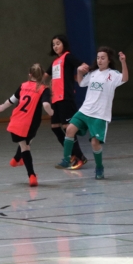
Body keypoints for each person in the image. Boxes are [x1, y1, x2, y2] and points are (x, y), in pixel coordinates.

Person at [55, 47, 128, 180]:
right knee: (69, 129)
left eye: (103, 58)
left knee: (95, 143)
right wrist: (79, 71)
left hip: (100, 115)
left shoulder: (113, 74)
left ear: (109, 60)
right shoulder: (93, 73)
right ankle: (66, 159)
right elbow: (81, 83)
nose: (99, 60)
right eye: (98, 58)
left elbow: (125, 78)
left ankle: (99, 167)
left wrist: (123, 61)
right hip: (85, 110)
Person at [0, 64, 54, 187]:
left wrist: (2, 107)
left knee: (24, 144)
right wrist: (51, 113)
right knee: (26, 145)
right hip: (31, 123)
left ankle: (17, 160)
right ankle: (31, 175)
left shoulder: (23, 85)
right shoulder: (44, 89)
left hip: (17, 120)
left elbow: (11, 100)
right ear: (42, 75)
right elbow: (46, 105)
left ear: (30, 75)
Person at [42, 35, 86, 169]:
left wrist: (77, 75)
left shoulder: (68, 57)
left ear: (64, 44)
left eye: (58, 43)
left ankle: (80, 157)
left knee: (68, 128)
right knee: (55, 127)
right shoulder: (55, 62)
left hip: (66, 98)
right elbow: (44, 77)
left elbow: (83, 66)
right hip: (55, 99)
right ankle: (72, 153)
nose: (55, 46)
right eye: (53, 44)